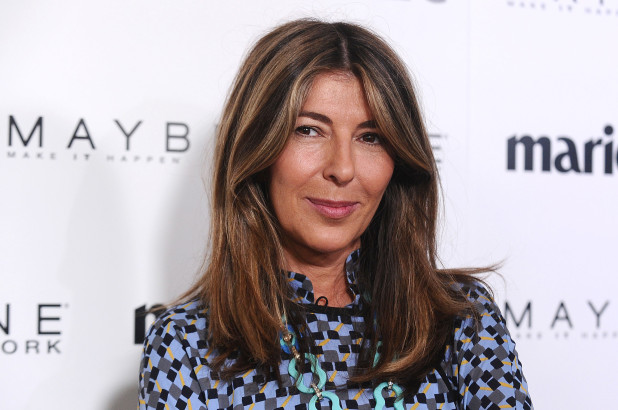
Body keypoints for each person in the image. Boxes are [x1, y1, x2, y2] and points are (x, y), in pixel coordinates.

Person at [138, 19, 533, 410]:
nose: (342, 169)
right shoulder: (187, 344)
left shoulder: (462, 320)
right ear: (257, 149)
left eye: (370, 137)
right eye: (309, 130)